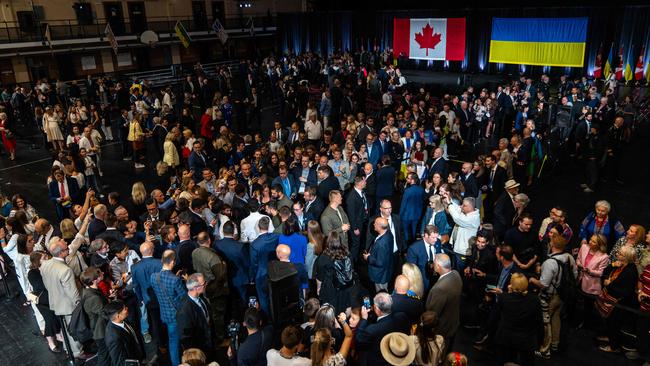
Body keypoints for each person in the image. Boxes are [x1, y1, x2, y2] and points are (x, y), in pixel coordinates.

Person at [529, 235, 577, 359]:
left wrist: (533, 280)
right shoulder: (569, 257)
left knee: (546, 322)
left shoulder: (550, 263)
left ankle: (545, 350)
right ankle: (555, 344)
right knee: (556, 318)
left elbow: (543, 284)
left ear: (552, 246)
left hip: (549, 296)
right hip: (563, 296)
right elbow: (575, 275)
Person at [40, 237, 86, 359]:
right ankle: (77, 353)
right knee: (73, 330)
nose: (68, 250)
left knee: (64, 329)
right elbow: (73, 293)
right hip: (68, 305)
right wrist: (79, 304)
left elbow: (46, 284)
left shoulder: (45, 264)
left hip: (55, 302)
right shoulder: (65, 270)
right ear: (61, 253)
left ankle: (67, 348)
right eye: (66, 249)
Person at [494, 273, 543, 366]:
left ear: (512, 285)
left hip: (506, 338)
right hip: (527, 341)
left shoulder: (504, 298)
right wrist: (539, 341)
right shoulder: (535, 300)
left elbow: (495, 318)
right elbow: (539, 322)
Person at [597, 246, 639, 354]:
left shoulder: (630, 271)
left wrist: (609, 285)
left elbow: (626, 292)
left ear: (626, 257)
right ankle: (610, 337)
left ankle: (613, 346)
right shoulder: (620, 265)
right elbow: (605, 272)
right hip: (613, 300)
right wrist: (612, 265)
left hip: (619, 303)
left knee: (614, 323)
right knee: (610, 322)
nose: (617, 254)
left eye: (620, 253)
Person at [150, 250, 187, 366]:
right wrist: (186, 281)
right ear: (172, 262)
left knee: (173, 340)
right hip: (176, 316)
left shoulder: (153, 277)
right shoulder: (175, 280)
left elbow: (163, 291)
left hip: (164, 314)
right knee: (175, 342)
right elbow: (184, 298)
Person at [192, 231, 228, 343]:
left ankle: (211, 336)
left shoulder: (194, 253)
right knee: (218, 316)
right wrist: (224, 266)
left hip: (202, 289)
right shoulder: (213, 256)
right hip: (214, 291)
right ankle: (220, 339)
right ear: (209, 240)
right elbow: (220, 276)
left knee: (209, 314)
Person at [356, 292, 410, 366]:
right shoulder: (402, 317)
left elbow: (359, 341)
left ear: (377, 309)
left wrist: (364, 319)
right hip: (400, 354)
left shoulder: (372, 330)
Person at [425, 254, 462, 353]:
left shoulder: (439, 289)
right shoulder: (456, 274)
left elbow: (432, 313)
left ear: (438, 266)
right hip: (453, 323)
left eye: (434, 263)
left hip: (442, 330)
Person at [27, 251, 63, 353]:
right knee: (49, 320)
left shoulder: (48, 268)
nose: (47, 258)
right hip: (42, 300)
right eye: (44, 257)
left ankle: (58, 335)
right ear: (38, 261)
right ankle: (50, 342)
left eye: (46, 256)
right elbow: (41, 286)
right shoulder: (32, 273)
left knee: (55, 318)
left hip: (52, 297)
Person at [575, 234, 610, 328]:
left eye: (594, 241)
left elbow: (601, 273)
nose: (590, 242)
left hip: (591, 285)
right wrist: (579, 265)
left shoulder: (604, 257)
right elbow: (578, 259)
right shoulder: (584, 247)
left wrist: (589, 271)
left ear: (600, 245)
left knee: (588, 307)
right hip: (579, 279)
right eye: (590, 239)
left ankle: (586, 325)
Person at [131, 241, 162, 345]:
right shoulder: (160, 263)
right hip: (162, 297)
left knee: (154, 321)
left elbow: (136, 285)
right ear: (152, 250)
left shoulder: (135, 267)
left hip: (147, 298)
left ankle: (159, 343)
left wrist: (140, 299)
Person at [314, 232, 353, 312]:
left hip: (330, 288)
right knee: (343, 308)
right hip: (344, 286)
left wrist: (318, 288)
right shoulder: (347, 254)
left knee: (330, 310)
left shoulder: (323, 257)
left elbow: (320, 277)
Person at [177, 273, 213, 358]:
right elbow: (185, 337)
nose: (206, 284)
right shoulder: (184, 309)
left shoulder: (201, 298)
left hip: (208, 344)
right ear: (196, 288)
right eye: (204, 283)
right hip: (199, 351)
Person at [213, 221, 249, 303]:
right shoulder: (240, 246)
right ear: (234, 232)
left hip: (225, 278)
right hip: (240, 278)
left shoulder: (216, 244)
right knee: (243, 301)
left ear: (222, 231)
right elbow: (247, 263)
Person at [80, 267, 110, 366]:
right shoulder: (93, 297)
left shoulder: (89, 290)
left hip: (99, 328)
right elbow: (104, 314)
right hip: (100, 331)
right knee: (104, 355)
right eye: (100, 274)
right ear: (94, 280)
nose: (102, 273)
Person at [103, 300, 146, 366]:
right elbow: (119, 362)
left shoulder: (123, 320)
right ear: (118, 316)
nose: (127, 308)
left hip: (138, 356)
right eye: (124, 308)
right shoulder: (113, 337)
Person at [444, 195, 480, 270]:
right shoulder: (467, 213)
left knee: (459, 271)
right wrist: (450, 201)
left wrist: (450, 205)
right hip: (457, 248)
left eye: (464, 205)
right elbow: (457, 209)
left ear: (470, 207)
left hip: (463, 252)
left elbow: (457, 218)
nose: (461, 207)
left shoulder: (472, 219)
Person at [407, 225, 443, 291]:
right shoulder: (414, 248)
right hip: (422, 279)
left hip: (436, 277)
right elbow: (411, 269)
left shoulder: (437, 242)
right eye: (433, 237)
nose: (436, 240)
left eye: (436, 237)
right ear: (426, 235)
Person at [364, 216, 393, 291]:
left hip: (380, 275)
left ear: (380, 227)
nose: (373, 224)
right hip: (385, 271)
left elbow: (380, 262)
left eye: (375, 223)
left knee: (381, 294)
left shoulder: (381, 243)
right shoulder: (389, 234)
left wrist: (368, 258)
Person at [400, 173, 425, 245]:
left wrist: (400, 215)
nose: (406, 179)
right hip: (417, 214)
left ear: (412, 180)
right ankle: (413, 246)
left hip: (406, 215)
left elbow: (403, 205)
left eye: (408, 178)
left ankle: (406, 248)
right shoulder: (421, 189)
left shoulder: (408, 191)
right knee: (414, 232)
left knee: (406, 233)